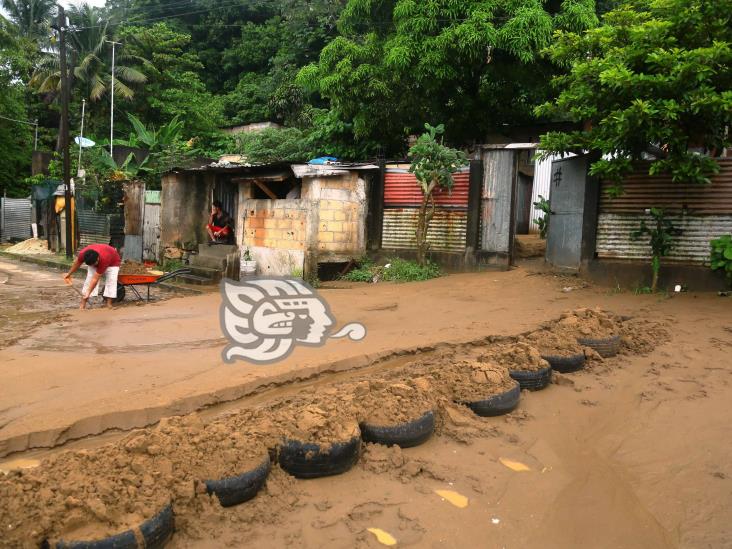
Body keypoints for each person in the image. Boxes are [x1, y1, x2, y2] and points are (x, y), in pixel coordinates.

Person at [64, 243, 121, 310]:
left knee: (111, 281)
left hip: (113, 262)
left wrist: (88, 292)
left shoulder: (104, 259)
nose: (94, 266)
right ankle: (82, 305)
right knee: (89, 281)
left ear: (97, 258)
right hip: (101, 255)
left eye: (95, 264)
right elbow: (77, 264)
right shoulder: (82, 254)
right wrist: (69, 274)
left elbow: (95, 279)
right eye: (92, 265)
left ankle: (109, 304)